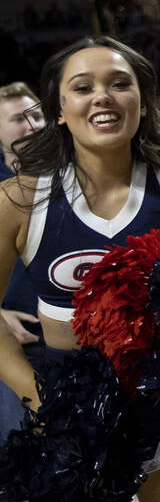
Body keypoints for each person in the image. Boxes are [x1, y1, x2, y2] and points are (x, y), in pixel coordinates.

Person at [0, 38, 160, 501]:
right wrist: (37, 398)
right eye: (82, 87)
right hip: (70, 412)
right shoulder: (19, 200)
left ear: (142, 102)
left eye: (120, 84)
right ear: (58, 110)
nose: (103, 96)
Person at [0, 81, 44, 440]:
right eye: (18, 119)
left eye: (37, 115)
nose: (32, 126)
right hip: (16, 349)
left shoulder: (76, 176)